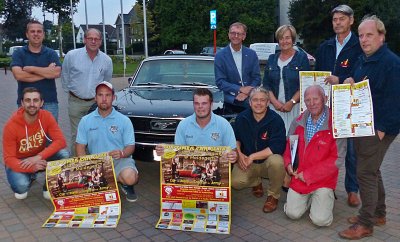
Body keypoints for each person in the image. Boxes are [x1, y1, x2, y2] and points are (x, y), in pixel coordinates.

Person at [339, 15, 400, 240]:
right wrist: (349, 82)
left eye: (369, 35)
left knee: (364, 172)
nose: (364, 40)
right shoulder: (364, 59)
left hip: (379, 128)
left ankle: (365, 223)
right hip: (363, 124)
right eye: (361, 35)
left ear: (381, 36)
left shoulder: (391, 63)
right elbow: (360, 84)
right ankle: (379, 213)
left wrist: (381, 129)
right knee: (372, 170)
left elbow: (396, 101)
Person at [315, 5, 363, 207]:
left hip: (350, 106)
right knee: (325, 148)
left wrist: (341, 79)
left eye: (342, 19)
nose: (338, 22)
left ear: (351, 20)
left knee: (351, 151)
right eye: (335, 19)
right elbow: (317, 75)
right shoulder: (325, 46)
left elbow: (362, 74)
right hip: (327, 106)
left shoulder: (360, 45)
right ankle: (326, 187)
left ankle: (352, 190)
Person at [283, 85, 346, 226]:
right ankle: (311, 199)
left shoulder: (336, 124)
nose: (312, 103)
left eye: (316, 99)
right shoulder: (297, 122)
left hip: (323, 181)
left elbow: (337, 160)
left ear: (325, 98)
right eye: (307, 100)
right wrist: (288, 164)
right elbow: (289, 148)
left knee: (320, 221)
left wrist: (310, 175)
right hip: (299, 177)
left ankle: (321, 198)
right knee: (292, 214)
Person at [76, 81, 139, 202]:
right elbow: (80, 147)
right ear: (95, 98)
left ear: (113, 98)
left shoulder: (124, 120)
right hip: (97, 163)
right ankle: (105, 182)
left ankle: (125, 184)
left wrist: (122, 153)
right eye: (100, 95)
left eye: (108, 95)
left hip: (119, 161)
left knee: (130, 178)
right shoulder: (85, 120)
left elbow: (130, 147)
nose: (104, 99)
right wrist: (86, 165)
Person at [2, 87, 69, 200]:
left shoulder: (46, 116)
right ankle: (29, 176)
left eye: (35, 100)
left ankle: (49, 186)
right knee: (21, 187)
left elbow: (61, 141)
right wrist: (31, 168)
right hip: (20, 161)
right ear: (22, 103)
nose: (32, 104)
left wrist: (38, 157)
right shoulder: (11, 126)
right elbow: (9, 159)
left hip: (39, 155)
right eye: (28, 100)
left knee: (64, 154)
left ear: (41, 102)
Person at [232, 87, 286, 213]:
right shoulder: (241, 118)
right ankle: (256, 181)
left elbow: (277, 147)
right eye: (255, 100)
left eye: (263, 100)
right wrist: (239, 155)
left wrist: (252, 157)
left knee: (277, 161)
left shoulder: (276, 120)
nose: (259, 103)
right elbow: (236, 138)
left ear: (268, 103)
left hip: (267, 163)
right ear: (249, 102)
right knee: (235, 182)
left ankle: (273, 195)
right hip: (247, 163)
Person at [61, 28, 113, 155]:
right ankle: (77, 166)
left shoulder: (106, 60)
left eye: (97, 39)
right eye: (90, 38)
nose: (93, 41)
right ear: (85, 40)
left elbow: (106, 81)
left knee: (95, 134)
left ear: (101, 41)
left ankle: (94, 165)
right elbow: (65, 76)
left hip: (95, 104)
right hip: (76, 102)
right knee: (77, 135)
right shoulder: (72, 56)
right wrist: (72, 92)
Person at [156, 88, 237, 162]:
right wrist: (164, 151)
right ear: (193, 104)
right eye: (197, 103)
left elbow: (233, 151)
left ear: (211, 104)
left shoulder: (224, 124)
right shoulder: (183, 125)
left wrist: (234, 156)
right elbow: (178, 153)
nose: (200, 107)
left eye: (204, 103)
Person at [11, 20, 62, 120]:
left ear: (43, 34)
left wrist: (31, 69)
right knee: (27, 134)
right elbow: (19, 75)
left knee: (48, 135)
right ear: (27, 34)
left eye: (39, 31)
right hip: (26, 102)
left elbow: (56, 72)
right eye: (32, 31)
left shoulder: (51, 53)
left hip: (49, 102)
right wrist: (47, 71)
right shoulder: (19, 53)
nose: (36, 34)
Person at [263, 25, 310, 132]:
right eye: (281, 38)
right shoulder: (272, 58)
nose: (284, 41)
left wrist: (291, 102)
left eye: (287, 38)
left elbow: (305, 84)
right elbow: (266, 85)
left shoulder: (301, 58)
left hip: (295, 108)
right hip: (274, 108)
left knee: (294, 138)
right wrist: (275, 102)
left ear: (293, 40)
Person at [215, 22, 261, 114]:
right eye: (233, 33)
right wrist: (239, 89)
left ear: (244, 36)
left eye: (239, 33)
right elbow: (220, 82)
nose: (235, 36)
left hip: (250, 96)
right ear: (228, 35)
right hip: (230, 99)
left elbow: (257, 78)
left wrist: (246, 93)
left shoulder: (251, 54)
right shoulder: (220, 56)